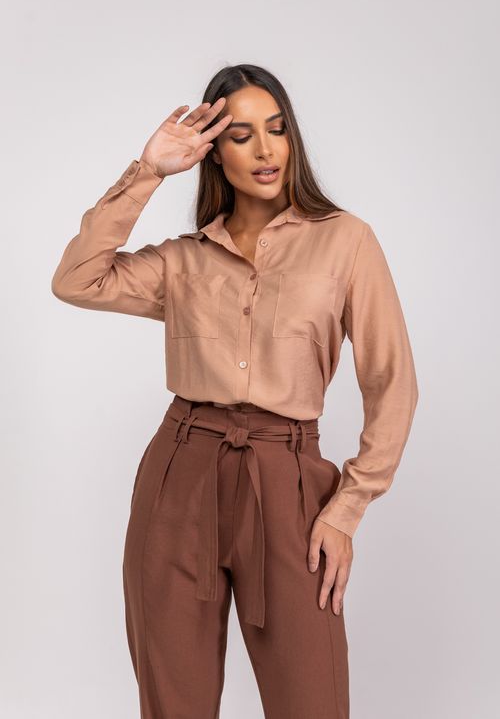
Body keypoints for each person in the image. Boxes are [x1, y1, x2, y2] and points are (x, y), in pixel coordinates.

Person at [51, 63, 418, 719]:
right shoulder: (183, 259)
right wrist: (149, 171)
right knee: (175, 704)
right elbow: (77, 280)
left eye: (276, 129)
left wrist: (346, 508)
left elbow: (393, 382)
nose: (265, 149)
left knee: (312, 700)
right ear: (214, 152)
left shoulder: (346, 241)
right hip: (180, 470)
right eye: (242, 136)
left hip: (289, 479)